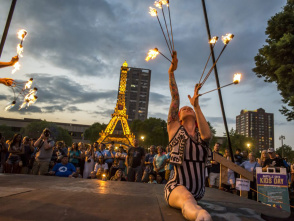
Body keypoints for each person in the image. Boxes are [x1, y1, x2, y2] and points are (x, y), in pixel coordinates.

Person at [164, 51, 212, 221]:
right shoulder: (175, 129)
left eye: (189, 108)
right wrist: (171, 72)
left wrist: (197, 106)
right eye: (182, 108)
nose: (185, 108)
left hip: (199, 190)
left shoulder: (201, 134)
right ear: (178, 116)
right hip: (177, 186)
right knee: (187, 200)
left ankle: (197, 210)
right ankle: (200, 216)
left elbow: (208, 135)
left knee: (191, 198)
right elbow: (175, 97)